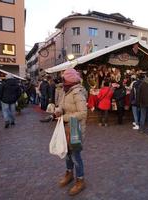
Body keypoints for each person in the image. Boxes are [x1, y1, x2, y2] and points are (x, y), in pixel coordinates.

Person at [55, 68, 87, 196]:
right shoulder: (65, 91)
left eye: (64, 78)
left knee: (75, 156)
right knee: (67, 153)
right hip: (65, 127)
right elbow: (62, 105)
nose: (62, 80)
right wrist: (58, 110)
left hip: (75, 128)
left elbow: (83, 113)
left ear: (70, 80)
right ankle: (69, 174)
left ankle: (80, 180)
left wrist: (65, 117)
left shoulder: (78, 93)